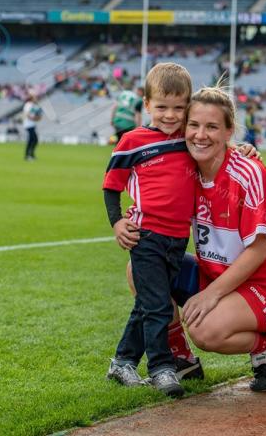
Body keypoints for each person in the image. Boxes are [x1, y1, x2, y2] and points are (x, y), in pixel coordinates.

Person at [173, 86, 266, 391]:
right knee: (142, 269)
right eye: (193, 125)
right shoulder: (184, 171)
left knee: (205, 330)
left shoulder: (249, 173)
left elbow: (260, 249)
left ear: (228, 131)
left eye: (212, 127)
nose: (200, 135)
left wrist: (210, 296)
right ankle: (182, 359)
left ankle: (265, 346)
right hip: (219, 275)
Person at [103, 63, 195, 397]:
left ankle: (122, 362)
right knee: (159, 305)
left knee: (148, 303)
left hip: (177, 237)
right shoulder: (132, 141)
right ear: (146, 105)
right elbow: (111, 186)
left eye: (178, 107)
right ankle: (162, 368)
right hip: (145, 236)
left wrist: (244, 149)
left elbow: (221, 150)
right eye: (161, 107)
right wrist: (116, 222)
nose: (170, 115)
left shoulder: (190, 140)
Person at [22, 94, 42, 161]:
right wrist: (34, 119)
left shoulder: (33, 105)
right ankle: (28, 155)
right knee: (33, 140)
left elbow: (37, 114)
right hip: (28, 125)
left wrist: (38, 117)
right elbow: (27, 114)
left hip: (32, 125)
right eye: (35, 98)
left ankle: (30, 154)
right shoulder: (28, 104)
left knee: (33, 140)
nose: (36, 99)